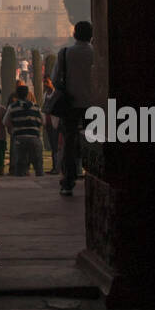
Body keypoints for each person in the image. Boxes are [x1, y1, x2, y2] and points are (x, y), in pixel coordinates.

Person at [53, 21, 95, 196]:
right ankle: (94, 178)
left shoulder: (65, 53)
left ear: (74, 34)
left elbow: (55, 80)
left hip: (70, 104)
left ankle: (68, 182)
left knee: (69, 143)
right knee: (94, 143)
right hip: (93, 104)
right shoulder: (96, 53)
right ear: (91, 35)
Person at [4, 84, 45, 176]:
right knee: (38, 164)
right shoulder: (36, 107)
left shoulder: (13, 107)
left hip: (19, 138)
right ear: (27, 94)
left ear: (17, 95)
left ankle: (19, 180)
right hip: (34, 137)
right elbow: (44, 121)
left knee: (19, 164)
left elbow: (5, 122)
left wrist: (15, 126)